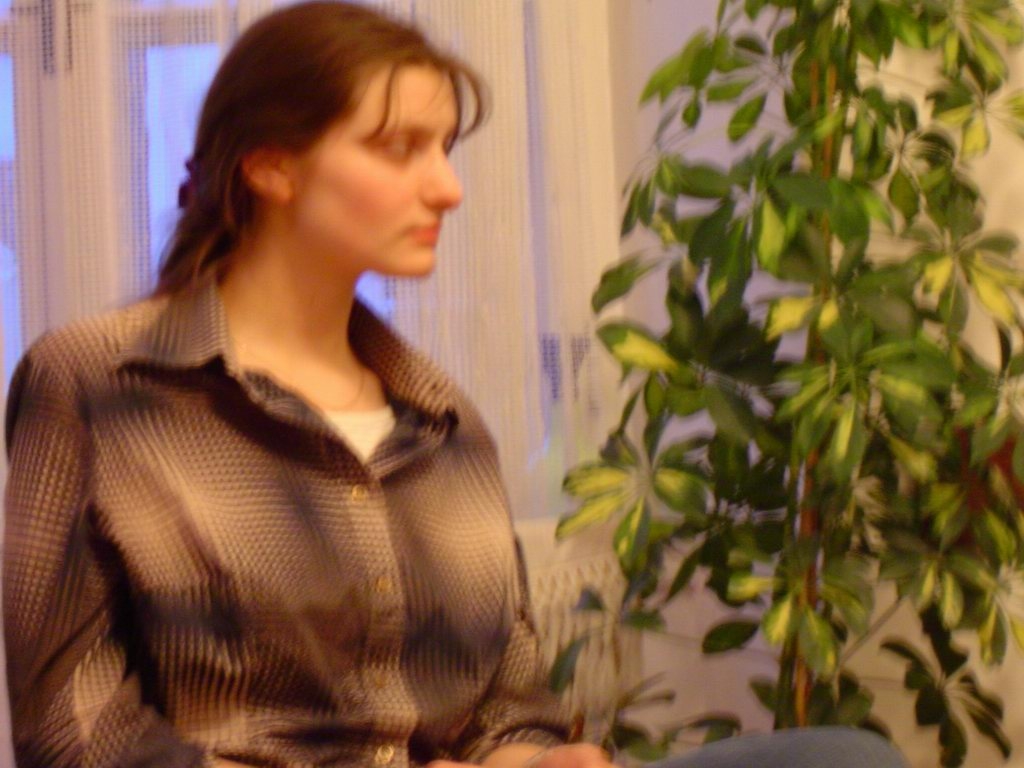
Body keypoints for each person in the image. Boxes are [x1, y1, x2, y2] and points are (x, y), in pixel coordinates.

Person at [2, 3, 909, 768]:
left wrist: (539, 760)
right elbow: (76, 741)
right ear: (270, 165)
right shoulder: (94, 385)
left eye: (444, 148)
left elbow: (508, 707)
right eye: (400, 148)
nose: (447, 187)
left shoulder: (444, 423)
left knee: (845, 757)